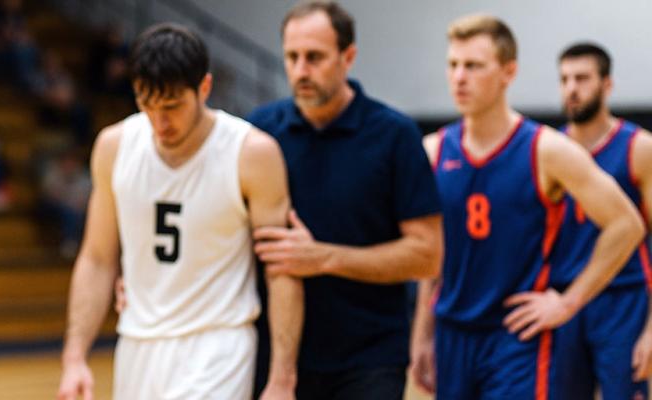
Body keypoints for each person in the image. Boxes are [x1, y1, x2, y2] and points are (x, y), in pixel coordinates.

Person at [57, 23, 302, 400]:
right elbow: (96, 258)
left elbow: (282, 268)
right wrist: (75, 357)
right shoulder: (113, 146)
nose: (160, 122)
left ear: (204, 88)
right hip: (137, 343)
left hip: (219, 344)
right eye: (147, 104)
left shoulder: (252, 153)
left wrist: (282, 378)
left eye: (172, 106)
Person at [413, 15, 644, 400]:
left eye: (473, 66)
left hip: (516, 335)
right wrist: (422, 333)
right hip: (452, 332)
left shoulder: (547, 149)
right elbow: (431, 258)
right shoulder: (433, 151)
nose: (459, 77)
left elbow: (627, 224)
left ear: (508, 72)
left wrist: (569, 300)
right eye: (453, 65)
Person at [244, 2, 443, 398]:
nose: (301, 70)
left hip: (369, 358)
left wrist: (323, 257)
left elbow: (427, 254)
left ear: (348, 57)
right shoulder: (259, 133)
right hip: (276, 354)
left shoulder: (395, 135)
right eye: (292, 57)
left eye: (314, 57)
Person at [548, 42, 652, 399]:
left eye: (582, 78)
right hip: (562, 299)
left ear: (607, 84)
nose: (571, 89)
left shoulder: (639, 148)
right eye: (564, 79)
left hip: (623, 300)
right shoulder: (549, 151)